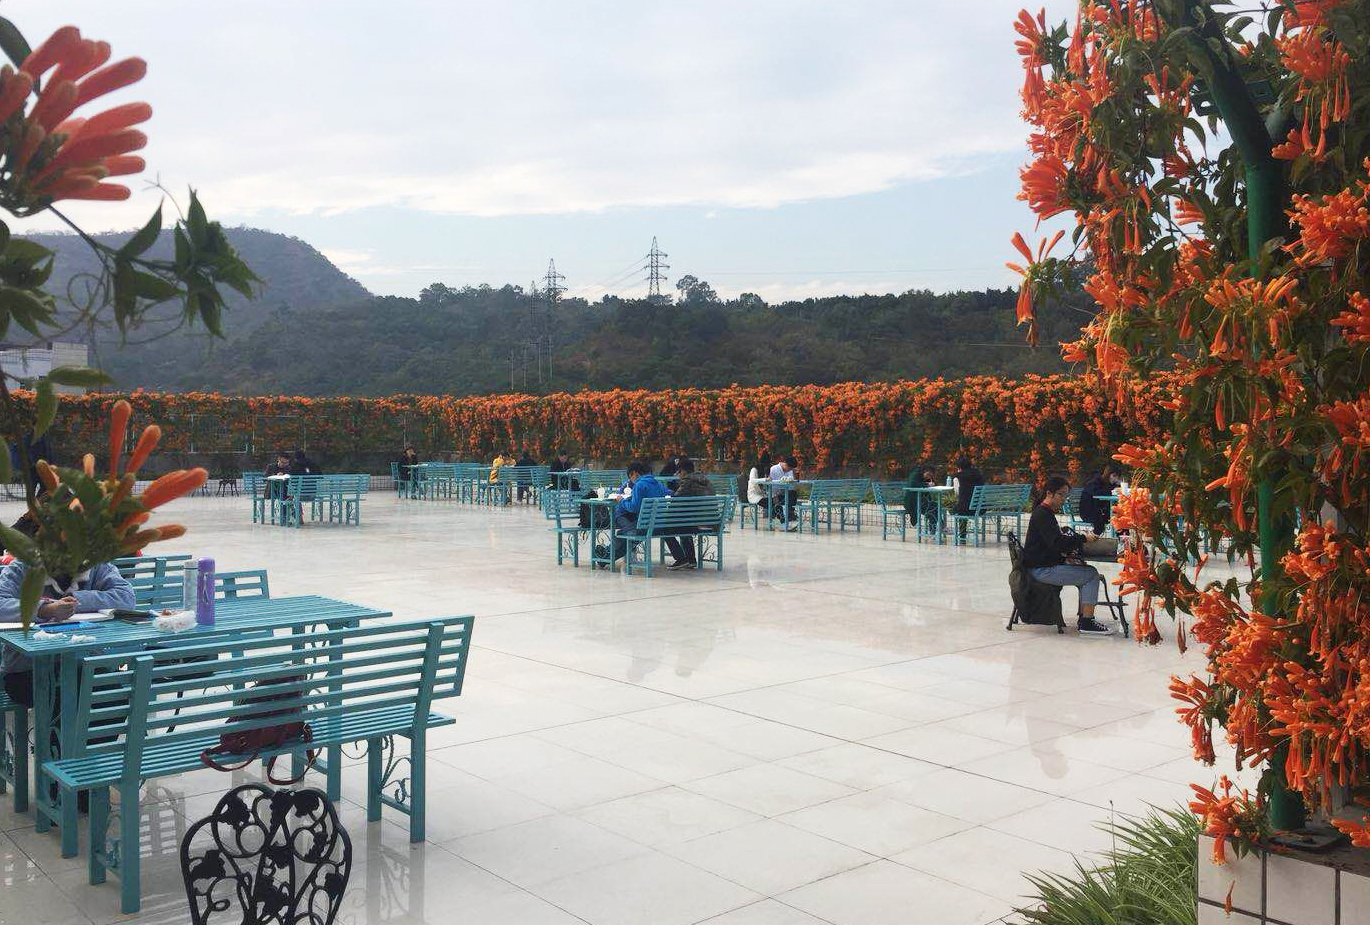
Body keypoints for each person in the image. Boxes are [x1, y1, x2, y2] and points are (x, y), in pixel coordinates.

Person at [0, 514, 136, 708]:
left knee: (112, 702)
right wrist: (46, 609)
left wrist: (77, 600)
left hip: (84, 663)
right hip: (28, 669)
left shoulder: (94, 565)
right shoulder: (23, 566)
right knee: (64, 703)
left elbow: (127, 597)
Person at [1021, 476, 1112, 637]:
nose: (1063, 499)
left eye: (1065, 495)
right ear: (1049, 493)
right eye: (1061, 494)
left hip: (1043, 565)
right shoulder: (1042, 514)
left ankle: (1084, 617)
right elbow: (1057, 543)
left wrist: (1068, 552)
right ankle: (1087, 621)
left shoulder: (1045, 513)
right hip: (1041, 570)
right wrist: (1083, 538)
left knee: (1084, 569)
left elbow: (1054, 543)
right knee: (1091, 575)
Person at [601, 461, 691, 568]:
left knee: (624, 532)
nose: (631, 480)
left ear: (635, 473)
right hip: (660, 525)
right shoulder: (657, 483)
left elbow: (634, 508)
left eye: (630, 477)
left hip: (645, 527)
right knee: (626, 532)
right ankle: (681, 558)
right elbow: (669, 493)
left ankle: (604, 558)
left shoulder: (639, 485)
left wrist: (622, 501)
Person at [666, 458, 713, 569]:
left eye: (678, 472)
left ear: (683, 471)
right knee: (685, 522)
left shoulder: (687, 481)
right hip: (711, 522)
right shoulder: (706, 480)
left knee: (665, 528)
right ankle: (691, 560)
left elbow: (674, 501)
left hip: (696, 523)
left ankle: (681, 559)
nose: (677, 475)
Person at [1079, 461, 1122, 537]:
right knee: (1102, 522)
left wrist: (1118, 486)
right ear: (1109, 474)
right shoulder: (1094, 482)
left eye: (1117, 477)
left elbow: (1111, 491)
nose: (1116, 479)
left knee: (1121, 518)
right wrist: (1113, 490)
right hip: (1089, 513)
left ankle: (1123, 539)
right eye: (1115, 476)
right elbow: (1097, 493)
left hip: (1101, 512)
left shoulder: (1108, 484)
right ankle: (1092, 538)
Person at [952, 455, 984, 540]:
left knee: (956, 509)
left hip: (966, 510)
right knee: (962, 506)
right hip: (981, 509)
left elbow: (957, 493)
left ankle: (962, 536)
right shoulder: (978, 474)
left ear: (959, 467)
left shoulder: (958, 476)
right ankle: (962, 536)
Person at [768, 455, 800, 530]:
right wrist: (775, 496)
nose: (790, 470)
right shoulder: (774, 469)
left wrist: (794, 475)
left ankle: (790, 517)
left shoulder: (790, 470)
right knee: (781, 501)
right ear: (786, 464)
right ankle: (787, 519)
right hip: (775, 494)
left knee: (792, 493)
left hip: (786, 494)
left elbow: (792, 486)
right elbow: (771, 485)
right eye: (790, 469)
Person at [904, 465, 938, 532]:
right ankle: (935, 529)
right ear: (925, 471)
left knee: (935, 507)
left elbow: (927, 486)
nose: (929, 477)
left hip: (921, 501)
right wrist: (927, 485)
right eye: (928, 475)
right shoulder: (915, 474)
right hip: (912, 502)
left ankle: (934, 529)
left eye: (931, 476)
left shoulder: (923, 476)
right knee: (933, 509)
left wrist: (930, 484)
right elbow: (913, 485)